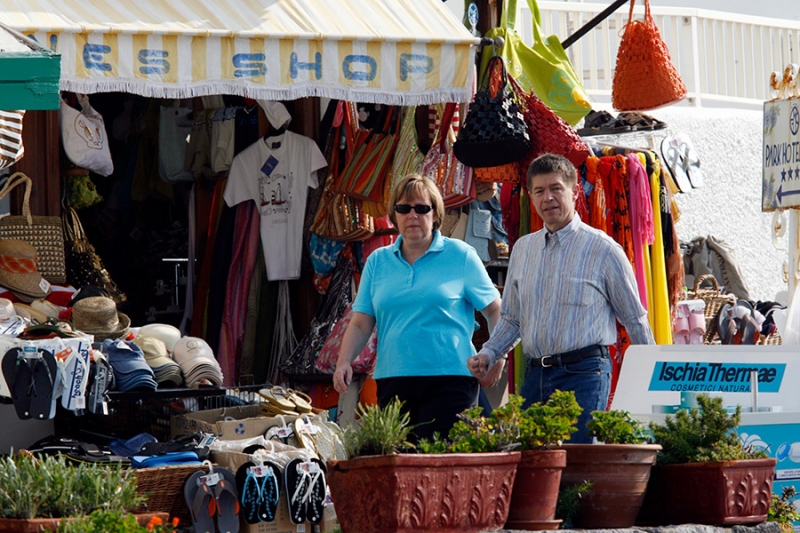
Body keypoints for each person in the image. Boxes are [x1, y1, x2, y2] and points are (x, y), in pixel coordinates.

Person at [468, 153, 655, 443]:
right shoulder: (523, 250)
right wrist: (490, 353)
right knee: (536, 468)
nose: (548, 198)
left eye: (556, 188)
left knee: (576, 468)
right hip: (535, 376)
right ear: (530, 196)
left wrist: (652, 378)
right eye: (540, 191)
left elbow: (634, 319)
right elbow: (512, 319)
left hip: (585, 375)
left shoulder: (604, 249)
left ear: (575, 190)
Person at [333, 174, 503, 441]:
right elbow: (361, 322)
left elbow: (495, 310)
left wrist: (497, 354)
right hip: (393, 381)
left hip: (451, 380)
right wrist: (344, 361)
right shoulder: (378, 261)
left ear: (435, 215)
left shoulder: (460, 255)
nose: (412, 215)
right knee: (403, 468)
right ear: (394, 215)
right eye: (404, 208)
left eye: (422, 208)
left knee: (443, 466)